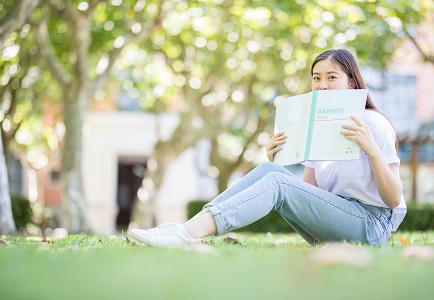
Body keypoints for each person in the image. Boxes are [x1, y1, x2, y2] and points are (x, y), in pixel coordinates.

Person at [128, 49, 407, 247]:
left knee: (276, 182)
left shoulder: (374, 124)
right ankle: (188, 228)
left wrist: (371, 150)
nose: (321, 85)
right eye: (316, 77)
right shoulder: (317, 125)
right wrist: (282, 159)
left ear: (352, 82)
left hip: (371, 225)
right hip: (334, 226)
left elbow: (393, 200)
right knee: (270, 169)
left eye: (331, 77)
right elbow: (313, 196)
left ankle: (187, 234)